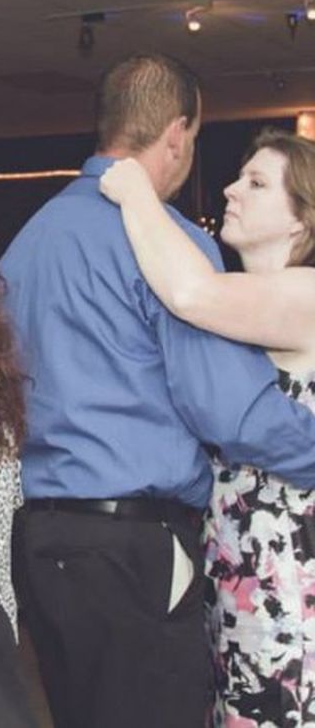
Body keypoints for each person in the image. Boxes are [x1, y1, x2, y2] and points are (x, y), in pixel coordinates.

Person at [0, 52, 315, 728]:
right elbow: (231, 413)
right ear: (177, 135)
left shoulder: (28, 242)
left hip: (39, 540)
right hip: (134, 547)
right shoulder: (163, 245)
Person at [101, 129, 315, 726]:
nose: (230, 190)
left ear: (300, 220)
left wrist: (137, 192)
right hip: (238, 590)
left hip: (292, 597)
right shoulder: (242, 311)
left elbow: (190, 292)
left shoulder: (308, 292)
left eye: (257, 183)